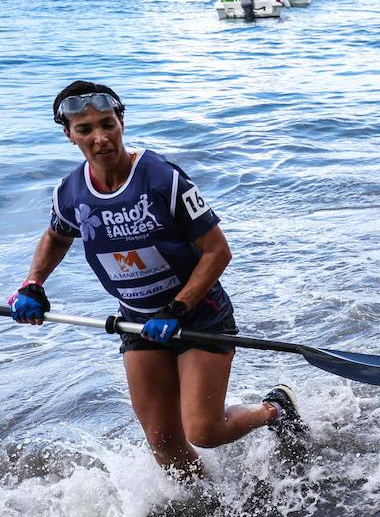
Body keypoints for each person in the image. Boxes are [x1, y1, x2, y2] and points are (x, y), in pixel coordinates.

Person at [8, 81, 302, 475]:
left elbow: (218, 252)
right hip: (136, 320)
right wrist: (33, 284)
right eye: (85, 130)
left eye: (107, 124)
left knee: (204, 430)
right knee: (164, 445)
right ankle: (212, 514)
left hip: (199, 314)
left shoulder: (163, 178)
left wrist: (177, 309)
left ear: (121, 122)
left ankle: (276, 409)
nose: (100, 138)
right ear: (69, 135)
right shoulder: (69, 192)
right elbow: (57, 236)